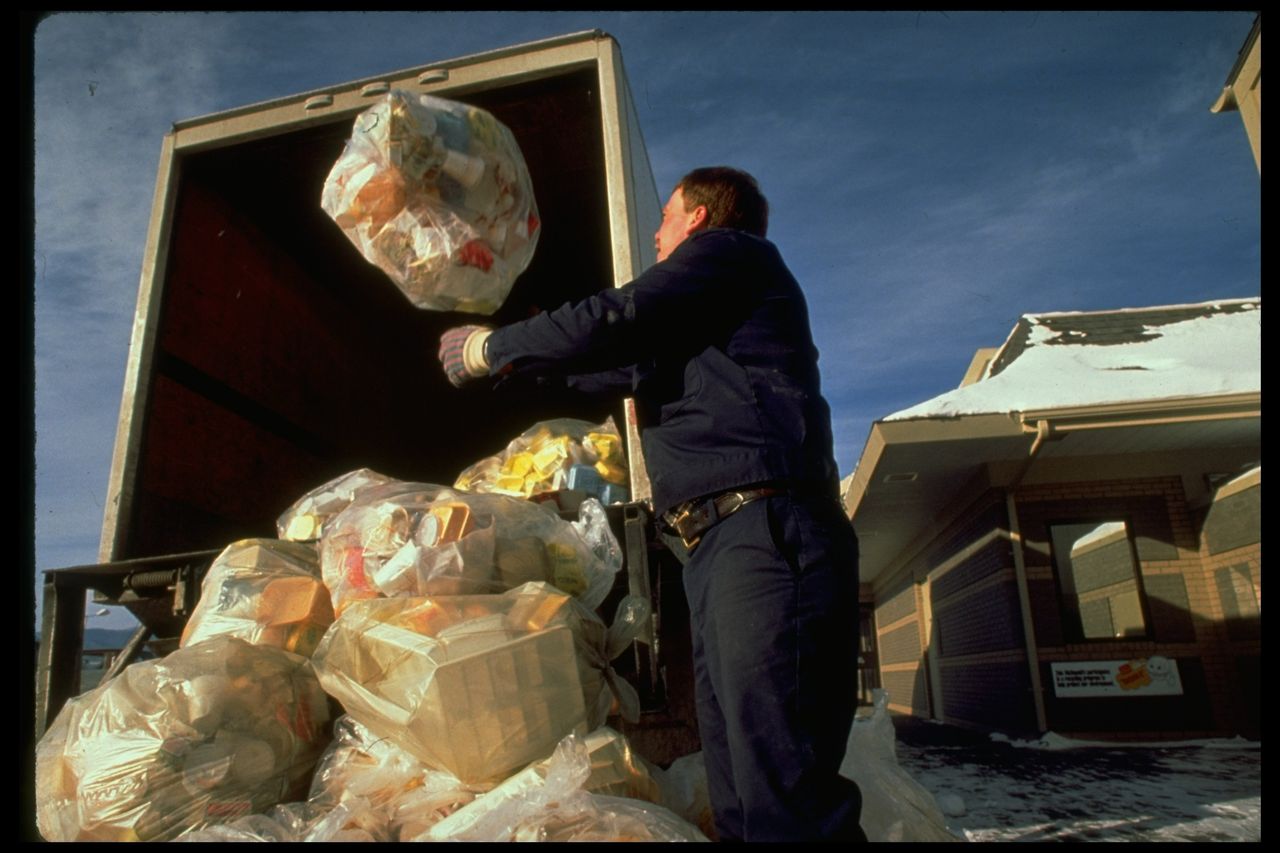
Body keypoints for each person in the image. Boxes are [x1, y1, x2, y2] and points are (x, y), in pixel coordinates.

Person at [437, 167, 866, 842]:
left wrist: (490, 349)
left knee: (786, 795)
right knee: (737, 793)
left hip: (767, 533)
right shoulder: (701, 324)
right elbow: (610, 361)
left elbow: (619, 316)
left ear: (696, 216)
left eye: (664, 220)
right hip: (717, 546)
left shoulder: (731, 254)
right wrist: (516, 355)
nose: (657, 236)